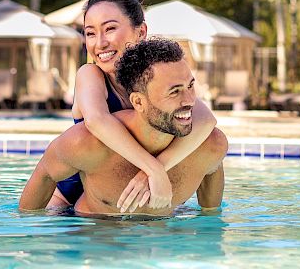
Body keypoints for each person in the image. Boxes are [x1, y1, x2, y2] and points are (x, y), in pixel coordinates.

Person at [20, 37, 227, 217]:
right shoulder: (87, 144)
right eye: (174, 92)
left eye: (190, 86)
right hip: (94, 237)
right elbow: (45, 175)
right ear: (138, 102)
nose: (190, 101)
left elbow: (211, 218)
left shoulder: (210, 147)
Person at [51, 0, 216, 213]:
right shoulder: (90, 75)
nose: (100, 43)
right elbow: (97, 120)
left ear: (141, 32)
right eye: (90, 33)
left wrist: (157, 169)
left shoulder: (154, 78)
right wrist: (154, 171)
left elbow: (206, 120)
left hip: (132, 193)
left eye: (110, 29)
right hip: (72, 203)